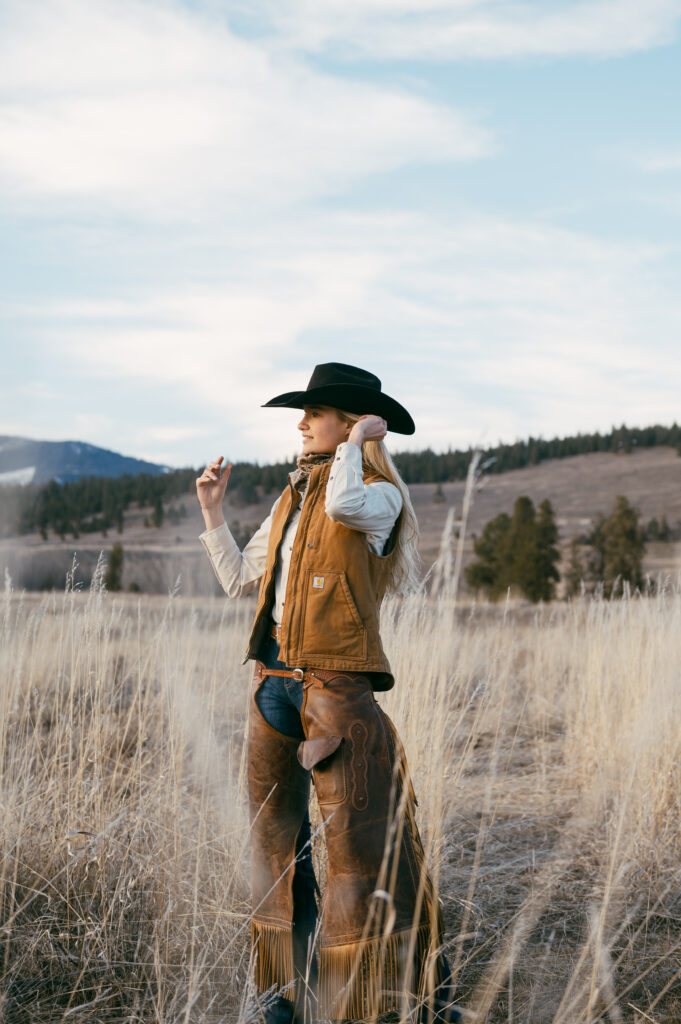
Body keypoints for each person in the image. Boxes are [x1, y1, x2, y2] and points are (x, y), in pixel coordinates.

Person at [196, 363, 461, 1024]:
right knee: (275, 848)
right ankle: (286, 995)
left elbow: (346, 503)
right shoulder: (292, 499)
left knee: (359, 859)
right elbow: (239, 581)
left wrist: (357, 445)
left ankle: (390, 998)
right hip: (273, 688)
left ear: (347, 423)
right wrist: (212, 511)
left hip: (337, 696)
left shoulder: (377, 495)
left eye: (313, 412)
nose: (300, 422)